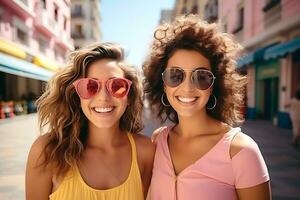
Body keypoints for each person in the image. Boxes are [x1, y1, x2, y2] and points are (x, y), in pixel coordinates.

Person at [143, 15, 271, 200]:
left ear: (214, 85)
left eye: (201, 76)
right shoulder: (158, 141)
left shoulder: (241, 151)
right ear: (163, 83)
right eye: (175, 75)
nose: (187, 87)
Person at [26, 43, 155, 200]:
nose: (103, 97)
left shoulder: (145, 151)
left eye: (116, 86)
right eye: (90, 86)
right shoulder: (47, 151)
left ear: (129, 96)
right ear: (77, 96)